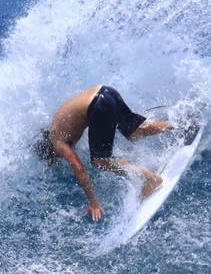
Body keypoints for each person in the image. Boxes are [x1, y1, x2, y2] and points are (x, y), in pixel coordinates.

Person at [35, 85, 191, 222]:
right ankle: (184, 124)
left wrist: (93, 202)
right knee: (135, 132)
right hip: (106, 92)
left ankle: (150, 179)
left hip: (98, 105)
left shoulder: (58, 143)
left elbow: (80, 169)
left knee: (100, 161)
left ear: (50, 151)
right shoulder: (56, 126)